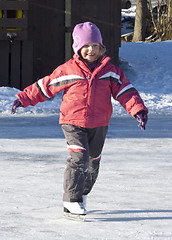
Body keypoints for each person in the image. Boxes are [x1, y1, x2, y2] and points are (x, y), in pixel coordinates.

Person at [11, 22, 148, 216]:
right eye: (86, 46)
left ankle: (82, 194)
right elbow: (46, 85)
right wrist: (23, 98)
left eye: (95, 46)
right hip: (72, 122)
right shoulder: (68, 70)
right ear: (78, 48)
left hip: (99, 123)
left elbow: (126, 92)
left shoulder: (110, 72)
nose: (91, 50)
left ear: (101, 47)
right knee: (79, 158)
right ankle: (71, 199)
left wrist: (138, 110)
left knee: (93, 162)